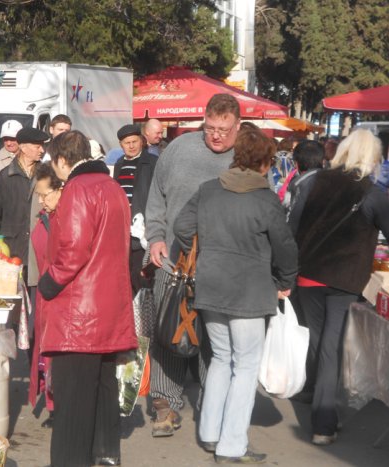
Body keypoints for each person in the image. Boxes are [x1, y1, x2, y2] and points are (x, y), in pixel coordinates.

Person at [173, 128, 297, 464]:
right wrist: (286, 279)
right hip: (250, 292)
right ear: (264, 162)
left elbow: (183, 228)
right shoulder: (266, 198)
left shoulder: (209, 190)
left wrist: (205, 254)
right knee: (244, 366)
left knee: (222, 360)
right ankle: (231, 445)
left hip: (211, 286)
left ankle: (211, 434)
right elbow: (285, 245)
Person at [37, 130, 137, 467]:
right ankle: (106, 455)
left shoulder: (78, 189)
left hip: (80, 313)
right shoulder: (112, 187)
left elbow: (73, 251)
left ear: (62, 160)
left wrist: (48, 283)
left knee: (73, 403)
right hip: (110, 304)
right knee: (103, 390)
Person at [145, 93, 240, 438]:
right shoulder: (179, 149)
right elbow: (156, 197)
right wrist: (155, 236)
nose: (216, 136)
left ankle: (211, 407)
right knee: (168, 330)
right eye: (210, 128)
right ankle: (164, 404)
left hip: (221, 266)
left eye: (224, 129)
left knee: (214, 341)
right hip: (172, 259)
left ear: (237, 125)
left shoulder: (245, 155)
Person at [292, 128, 389, 446]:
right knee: (330, 347)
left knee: (319, 339)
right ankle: (323, 423)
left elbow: (293, 225)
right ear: (372, 158)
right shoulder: (372, 192)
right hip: (344, 280)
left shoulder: (314, 182)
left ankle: (312, 394)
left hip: (307, 274)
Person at [28, 162, 64, 429]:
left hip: (59, 295)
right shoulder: (45, 215)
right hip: (45, 293)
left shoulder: (63, 219)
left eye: (45, 194)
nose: (42, 200)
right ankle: (52, 403)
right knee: (44, 353)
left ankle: (59, 405)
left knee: (55, 354)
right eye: (39, 195)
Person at [0, 127, 49, 271]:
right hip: (12, 249)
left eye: (43, 146)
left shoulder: (47, 175)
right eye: (37, 146)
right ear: (23, 147)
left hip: (40, 250)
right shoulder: (5, 177)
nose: (42, 150)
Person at [113, 124, 157, 294]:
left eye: (134, 141)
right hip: (123, 231)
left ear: (142, 141)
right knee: (126, 279)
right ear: (121, 144)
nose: (131, 146)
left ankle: (143, 317)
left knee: (141, 278)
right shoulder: (119, 164)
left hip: (143, 231)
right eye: (127, 143)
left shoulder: (152, 163)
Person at [285, 140, 325, 236]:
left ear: (296, 163)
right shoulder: (335, 181)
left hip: (302, 241)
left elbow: (291, 219)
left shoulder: (297, 185)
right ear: (323, 161)